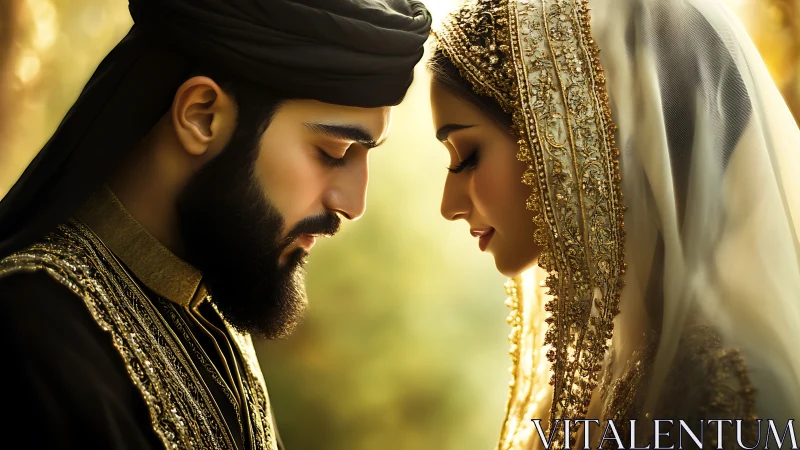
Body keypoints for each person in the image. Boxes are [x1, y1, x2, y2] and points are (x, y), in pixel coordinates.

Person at [0, 0, 431, 448]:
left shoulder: (215, 312)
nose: (354, 204)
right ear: (202, 115)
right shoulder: (25, 332)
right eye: (334, 154)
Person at [429, 0, 800, 448]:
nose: (448, 205)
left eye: (467, 155)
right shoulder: (598, 372)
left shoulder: (723, 398)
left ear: (574, 135)